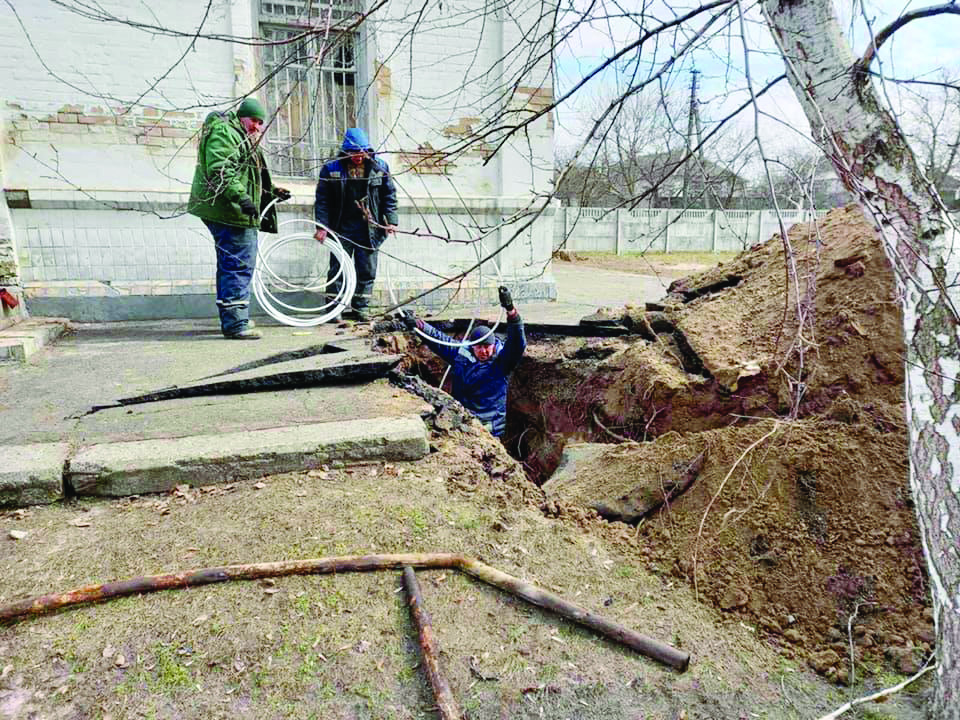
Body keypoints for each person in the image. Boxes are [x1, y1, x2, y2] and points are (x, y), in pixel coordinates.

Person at [188, 97, 290, 340]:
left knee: (232, 263)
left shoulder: (239, 136)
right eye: (255, 121)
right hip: (229, 211)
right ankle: (235, 324)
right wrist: (242, 199)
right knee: (238, 263)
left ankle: (234, 316)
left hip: (228, 209)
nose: (258, 127)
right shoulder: (227, 133)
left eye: (261, 123)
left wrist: (271, 191)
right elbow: (221, 170)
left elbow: (246, 174)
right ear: (242, 117)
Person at [402, 286, 526, 438]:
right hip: (462, 420)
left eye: (487, 347)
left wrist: (511, 311)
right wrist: (419, 325)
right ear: (472, 345)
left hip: (490, 425)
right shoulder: (461, 354)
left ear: (493, 345)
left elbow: (517, 343)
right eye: (479, 347)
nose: (484, 351)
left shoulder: (502, 361)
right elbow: (440, 340)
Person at [313, 128, 398, 321]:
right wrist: (321, 226)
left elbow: (389, 196)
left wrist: (391, 220)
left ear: (367, 150)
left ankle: (361, 308)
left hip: (370, 229)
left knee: (366, 269)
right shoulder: (331, 169)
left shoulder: (379, 167)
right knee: (338, 269)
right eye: (353, 153)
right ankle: (334, 310)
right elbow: (323, 200)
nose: (358, 157)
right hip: (341, 228)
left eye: (362, 152)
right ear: (346, 151)